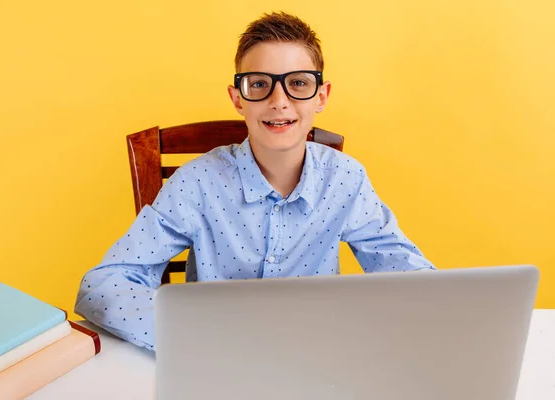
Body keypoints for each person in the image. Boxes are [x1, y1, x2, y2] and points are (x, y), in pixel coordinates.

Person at [74, 12, 435, 351]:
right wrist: (202, 336)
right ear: (237, 99)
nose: (280, 101)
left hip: (314, 355)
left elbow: (408, 274)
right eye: (259, 84)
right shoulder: (197, 183)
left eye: (298, 83)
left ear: (321, 97)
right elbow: (102, 287)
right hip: (216, 359)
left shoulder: (346, 178)